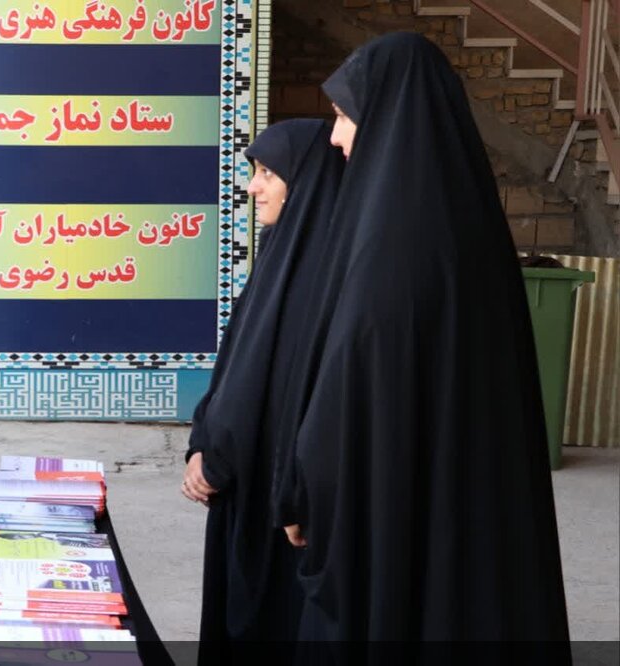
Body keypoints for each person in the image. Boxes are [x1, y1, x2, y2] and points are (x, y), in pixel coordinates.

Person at [272, 32, 571, 648]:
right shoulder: (472, 230)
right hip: (469, 514)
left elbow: (349, 385)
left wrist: (302, 491)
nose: (336, 137)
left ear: (387, 117)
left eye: (344, 116)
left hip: (387, 511)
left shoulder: (388, 246)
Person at [181, 119, 345, 647]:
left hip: (274, 485)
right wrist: (201, 441)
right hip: (247, 478)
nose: (253, 187)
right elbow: (235, 362)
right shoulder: (283, 251)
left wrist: (216, 457)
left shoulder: (322, 272)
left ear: (306, 181)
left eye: (269, 173)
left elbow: (262, 382)